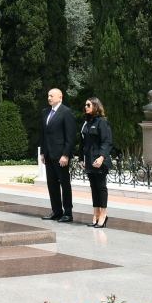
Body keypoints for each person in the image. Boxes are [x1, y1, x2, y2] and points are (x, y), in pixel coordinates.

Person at [39, 88, 76, 222]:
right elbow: (44, 134)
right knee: (52, 184)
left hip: (61, 156)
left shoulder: (66, 112)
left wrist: (66, 155)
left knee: (64, 184)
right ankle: (56, 211)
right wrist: (43, 152)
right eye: (48, 95)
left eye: (51, 96)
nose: (49, 98)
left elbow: (70, 136)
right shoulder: (45, 112)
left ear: (60, 97)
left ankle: (68, 212)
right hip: (49, 155)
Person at [81, 97, 113, 228]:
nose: (86, 107)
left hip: (99, 160)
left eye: (88, 105)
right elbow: (83, 143)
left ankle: (103, 214)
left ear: (95, 106)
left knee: (101, 187)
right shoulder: (87, 123)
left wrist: (101, 157)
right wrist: (80, 158)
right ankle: (96, 213)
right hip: (89, 160)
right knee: (93, 188)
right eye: (85, 105)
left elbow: (107, 142)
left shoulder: (102, 122)